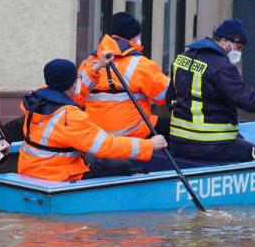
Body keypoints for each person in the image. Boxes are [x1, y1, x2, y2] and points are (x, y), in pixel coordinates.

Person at [165, 19, 255, 162]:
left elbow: (169, 99)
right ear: (223, 41)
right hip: (210, 144)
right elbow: (251, 101)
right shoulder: (222, 67)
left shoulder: (182, 58)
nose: (239, 52)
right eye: (238, 46)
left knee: (240, 139)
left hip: (179, 142)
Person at [18, 59, 167, 182]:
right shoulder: (70, 116)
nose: (79, 82)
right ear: (71, 84)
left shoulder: (35, 98)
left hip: (30, 168)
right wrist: (148, 145)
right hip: (58, 175)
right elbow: (106, 146)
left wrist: (95, 68)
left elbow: (74, 93)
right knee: (121, 165)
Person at [77, 12, 171, 139]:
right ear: (134, 38)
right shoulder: (141, 64)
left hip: (96, 133)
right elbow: (164, 96)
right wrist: (171, 79)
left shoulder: (89, 62)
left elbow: (77, 97)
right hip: (132, 130)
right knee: (174, 128)